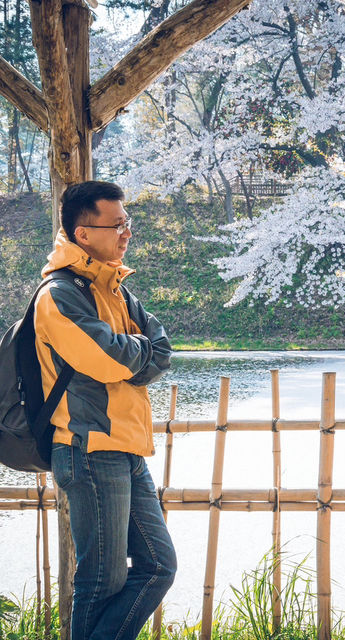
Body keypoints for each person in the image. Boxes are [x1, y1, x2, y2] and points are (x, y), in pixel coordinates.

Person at [34, 181, 177, 640]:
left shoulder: (114, 288)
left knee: (158, 566)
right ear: (82, 234)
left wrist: (131, 352)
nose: (126, 233)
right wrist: (134, 352)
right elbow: (113, 358)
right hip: (89, 448)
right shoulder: (60, 294)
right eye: (116, 225)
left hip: (126, 448)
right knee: (101, 582)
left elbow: (161, 350)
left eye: (127, 223)